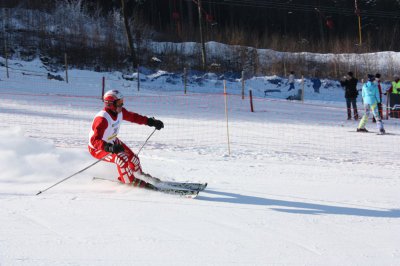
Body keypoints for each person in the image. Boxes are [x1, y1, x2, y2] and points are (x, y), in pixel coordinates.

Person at [88, 90, 164, 187]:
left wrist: (150, 122)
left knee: (134, 159)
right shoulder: (102, 119)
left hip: (112, 141)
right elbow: (94, 141)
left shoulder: (119, 112)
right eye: (119, 103)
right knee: (121, 158)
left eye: (122, 101)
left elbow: (134, 117)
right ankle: (129, 181)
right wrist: (109, 147)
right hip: (98, 148)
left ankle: (139, 176)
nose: (122, 104)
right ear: (110, 104)